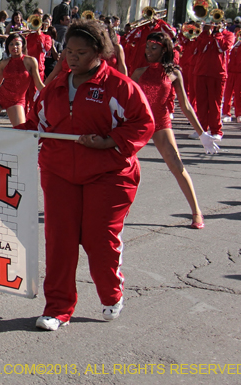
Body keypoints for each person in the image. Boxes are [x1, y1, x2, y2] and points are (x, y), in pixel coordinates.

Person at [17, 20, 155, 331]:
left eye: (81, 52)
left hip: (109, 174)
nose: (72, 58)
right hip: (59, 172)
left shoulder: (120, 86)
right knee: (60, 242)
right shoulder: (56, 85)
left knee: (98, 240)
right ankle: (57, 308)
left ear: (99, 52)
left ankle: (112, 294)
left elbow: (142, 123)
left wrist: (110, 141)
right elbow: (37, 125)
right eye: (68, 51)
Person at [131, 32, 219, 231]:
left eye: (154, 48)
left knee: (177, 166)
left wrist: (202, 133)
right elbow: (125, 101)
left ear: (164, 50)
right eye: (147, 47)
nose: (149, 51)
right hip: (140, 123)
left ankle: (196, 211)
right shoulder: (138, 73)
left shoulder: (174, 73)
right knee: (121, 164)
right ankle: (114, 207)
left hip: (161, 123)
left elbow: (186, 105)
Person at [193, 23, 235, 139]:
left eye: (217, 22)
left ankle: (216, 131)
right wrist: (206, 33)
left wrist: (218, 34)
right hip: (201, 72)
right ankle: (201, 130)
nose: (213, 24)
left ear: (223, 23)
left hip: (218, 73)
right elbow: (199, 48)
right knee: (201, 103)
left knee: (215, 104)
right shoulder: (204, 35)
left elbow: (222, 47)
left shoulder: (229, 35)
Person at [222, 32, 241, 123]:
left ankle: (240, 114)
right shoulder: (232, 44)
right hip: (230, 71)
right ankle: (226, 113)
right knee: (227, 93)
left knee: (240, 94)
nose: (239, 37)